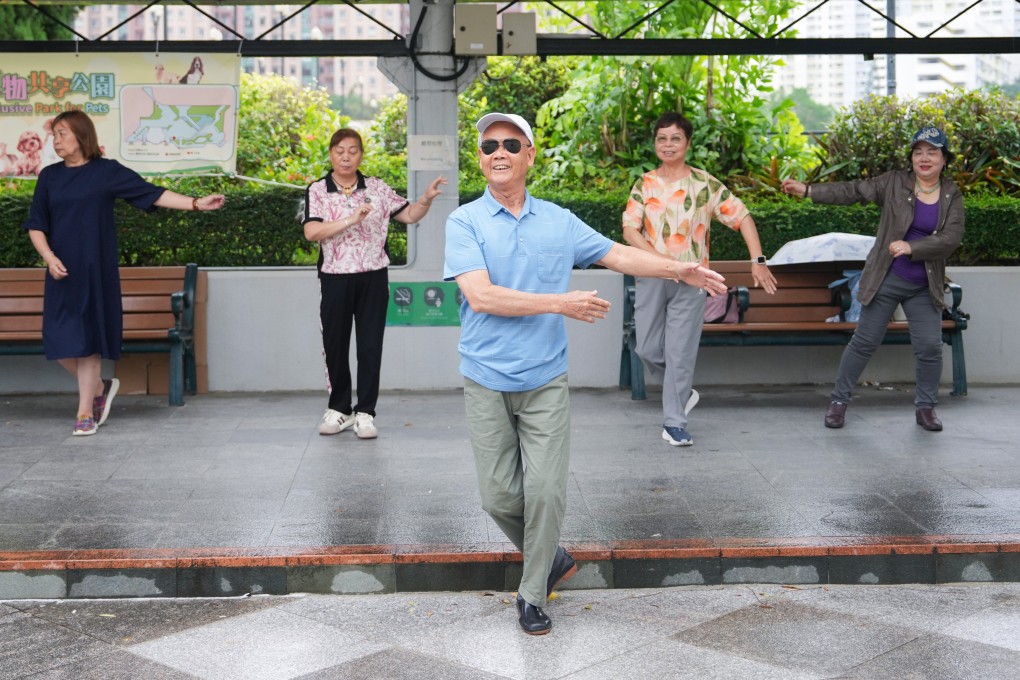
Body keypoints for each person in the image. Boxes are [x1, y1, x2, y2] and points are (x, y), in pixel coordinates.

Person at [444, 112, 728, 635]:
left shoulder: (559, 220)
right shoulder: (464, 221)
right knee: (498, 497)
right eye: (489, 147)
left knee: (547, 491)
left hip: (545, 379)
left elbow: (618, 253)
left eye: (511, 144)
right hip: (485, 376)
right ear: (481, 158)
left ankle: (532, 595)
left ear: (530, 155)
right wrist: (560, 303)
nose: (498, 153)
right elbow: (480, 296)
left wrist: (677, 267)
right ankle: (550, 556)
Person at [22, 110, 225, 436]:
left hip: (95, 269)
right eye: (54, 135)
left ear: (81, 135)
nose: (56, 140)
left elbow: (152, 193)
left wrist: (197, 203)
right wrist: (48, 257)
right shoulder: (49, 177)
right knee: (59, 343)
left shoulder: (106, 172)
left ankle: (85, 410)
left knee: (88, 342)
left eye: (62, 133)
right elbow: (36, 225)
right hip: (61, 272)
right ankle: (100, 387)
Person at [781, 125, 964, 432]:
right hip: (887, 277)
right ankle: (838, 402)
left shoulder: (951, 193)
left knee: (930, 348)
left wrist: (912, 247)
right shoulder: (895, 183)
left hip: (924, 283)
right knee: (864, 342)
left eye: (932, 152)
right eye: (918, 152)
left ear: (944, 159)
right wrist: (810, 191)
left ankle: (926, 408)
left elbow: (952, 237)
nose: (924, 158)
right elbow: (853, 191)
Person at [622, 112, 777, 447]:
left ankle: (674, 422)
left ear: (687, 143)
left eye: (675, 138)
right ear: (655, 144)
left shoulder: (705, 185)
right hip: (652, 275)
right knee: (647, 348)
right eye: (662, 138)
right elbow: (629, 229)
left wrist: (758, 260)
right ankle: (682, 390)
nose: (667, 144)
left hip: (694, 281)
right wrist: (663, 262)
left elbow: (743, 216)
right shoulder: (644, 184)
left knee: (680, 352)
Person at [303, 128, 447, 440]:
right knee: (335, 345)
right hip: (334, 278)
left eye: (353, 150)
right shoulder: (317, 190)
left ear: (361, 155)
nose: (346, 156)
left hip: (373, 277)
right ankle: (339, 408)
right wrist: (350, 220)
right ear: (330, 154)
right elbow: (312, 232)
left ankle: (365, 412)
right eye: (340, 150)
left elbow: (408, 215)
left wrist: (425, 199)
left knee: (370, 346)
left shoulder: (378, 188)